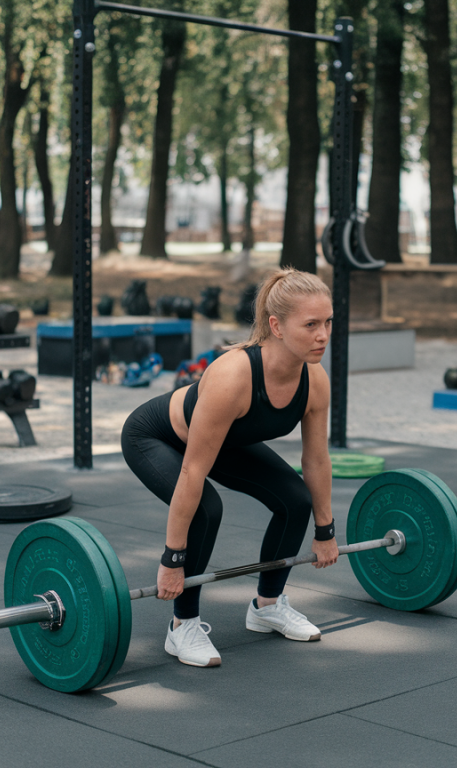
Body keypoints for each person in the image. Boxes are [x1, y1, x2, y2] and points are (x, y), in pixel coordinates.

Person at [120, 267, 337, 668]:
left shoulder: (315, 379)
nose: (323, 334)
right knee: (206, 509)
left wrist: (325, 531)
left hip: (222, 441)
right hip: (155, 438)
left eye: (327, 322)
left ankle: (267, 606)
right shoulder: (233, 375)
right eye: (310, 324)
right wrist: (172, 561)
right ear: (276, 326)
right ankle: (182, 625)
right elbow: (191, 473)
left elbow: (316, 459)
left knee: (294, 499)